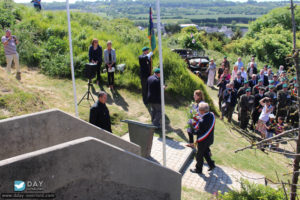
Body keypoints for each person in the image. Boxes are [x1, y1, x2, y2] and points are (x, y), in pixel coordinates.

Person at [190, 102, 216, 174]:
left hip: (204, 140)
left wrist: (192, 131)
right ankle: (211, 164)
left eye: (199, 110)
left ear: (202, 111)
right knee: (205, 152)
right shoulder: (211, 115)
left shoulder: (203, 120)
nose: (198, 111)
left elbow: (200, 131)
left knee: (199, 155)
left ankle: (198, 169)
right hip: (210, 139)